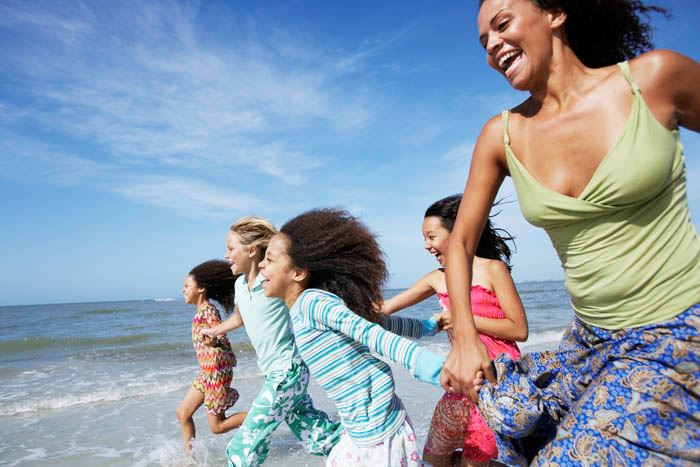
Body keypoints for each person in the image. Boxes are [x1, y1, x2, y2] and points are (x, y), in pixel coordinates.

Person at [442, 0, 700, 464]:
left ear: (556, 13)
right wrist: (464, 339)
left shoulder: (655, 79)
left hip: (677, 331)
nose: (493, 46)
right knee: (512, 416)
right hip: (589, 339)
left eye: (502, 25)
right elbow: (459, 243)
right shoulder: (501, 135)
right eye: (485, 43)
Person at [259, 208, 447, 467]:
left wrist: (429, 365)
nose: (261, 265)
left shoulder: (311, 302)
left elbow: (371, 333)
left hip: (377, 427)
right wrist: (427, 326)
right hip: (356, 429)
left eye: (269, 259)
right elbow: (380, 322)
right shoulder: (300, 309)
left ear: (299, 272)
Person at [382, 194, 527, 467]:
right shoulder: (436, 278)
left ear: (457, 231)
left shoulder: (493, 270)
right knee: (434, 458)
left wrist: (460, 318)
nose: (426, 245)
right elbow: (385, 307)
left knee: (478, 460)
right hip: (460, 381)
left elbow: (518, 329)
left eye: (431, 236)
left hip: (497, 380)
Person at [201, 216, 341, 467]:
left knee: (242, 448)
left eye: (231, 248)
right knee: (318, 436)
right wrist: (214, 331)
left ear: (252, 250)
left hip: (287, 371)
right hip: (275, 373)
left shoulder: (274, 282)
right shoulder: (240, 286)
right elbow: (240, 317)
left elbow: (306, 300)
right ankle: (366, 445)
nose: (226, 254)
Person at [176, 259, 247, 456]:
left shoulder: (208, 310)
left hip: (216, 373)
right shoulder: (201, 311)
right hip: (207, 373)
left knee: (217, 427)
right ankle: (190, 460)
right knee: (183, 413)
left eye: (186, 286)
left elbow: (222, 337)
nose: (183, 290)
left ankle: (258, 417)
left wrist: (214, 342)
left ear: (201, 288)